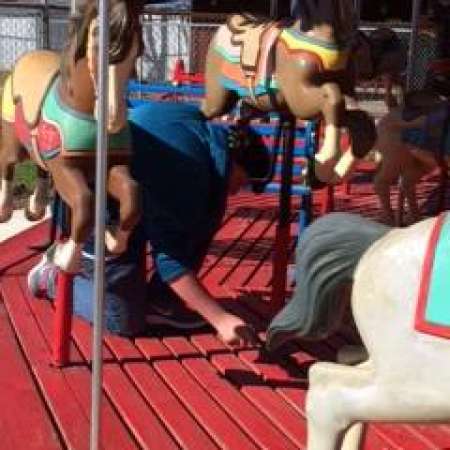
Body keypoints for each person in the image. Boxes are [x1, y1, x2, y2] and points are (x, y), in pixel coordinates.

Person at [28, 101, 271, 346]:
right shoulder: (187, 173)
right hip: (93, 210)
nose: (240, 190)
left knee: (206, 210)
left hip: (133, 200)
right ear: (237, 164)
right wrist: (220, 319)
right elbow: (171, 263)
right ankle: (52, 278)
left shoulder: (195, 122)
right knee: (123, 319)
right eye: (246, 182)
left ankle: (161, 301)